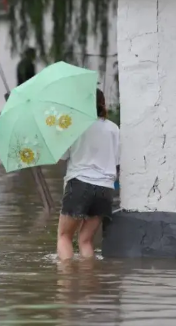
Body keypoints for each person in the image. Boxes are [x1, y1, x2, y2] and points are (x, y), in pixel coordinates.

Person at [57, 89, 119, 260]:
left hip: (79, 184)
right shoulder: (113, 128)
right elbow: (117, 159)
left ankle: (66, 284)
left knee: (64, 237)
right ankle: (89, 282)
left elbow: (62, 157)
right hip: (105, 189)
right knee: (85, 241)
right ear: (102, 103)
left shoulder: (73, 126)